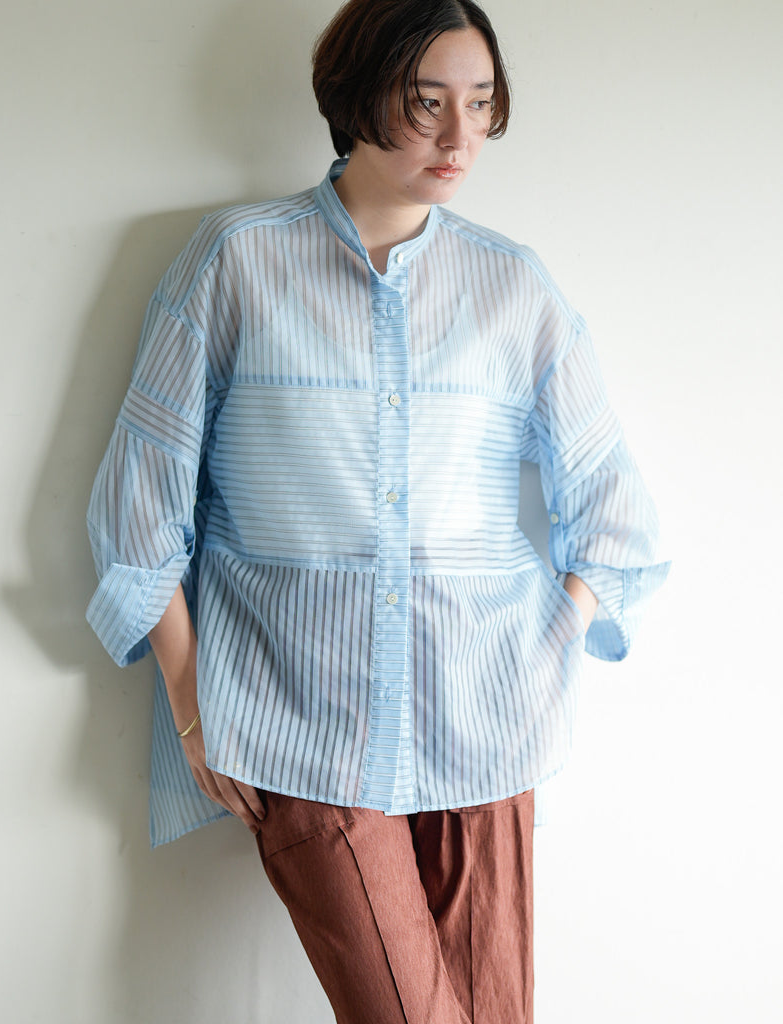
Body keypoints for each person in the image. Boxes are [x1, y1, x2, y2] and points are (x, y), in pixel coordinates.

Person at [86, 0, 669, 1020]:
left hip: (486, 724)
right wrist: (190, 705)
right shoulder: (235, 261)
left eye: (479, 105)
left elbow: (613, 507)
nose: (459, 139)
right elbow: (142, 511)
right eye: (427, 102)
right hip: (294, 721)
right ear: (358, 96)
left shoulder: (513, 287)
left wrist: (543, 646)